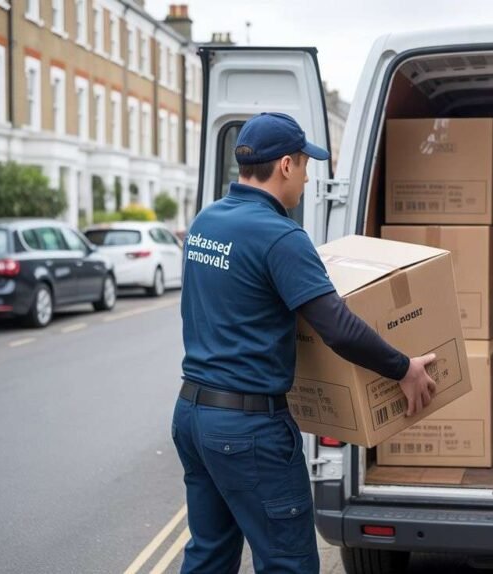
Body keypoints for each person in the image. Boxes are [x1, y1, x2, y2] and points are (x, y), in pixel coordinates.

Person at [172, 112, 437, 574]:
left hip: (193, 417)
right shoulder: (279, 235)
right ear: (287, 166)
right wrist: (403, 367)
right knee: (288, 563)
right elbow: (337, 327)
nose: (309, 177)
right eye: (306, 165)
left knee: (209, 554)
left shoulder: (206, 222)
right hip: (248, 428)